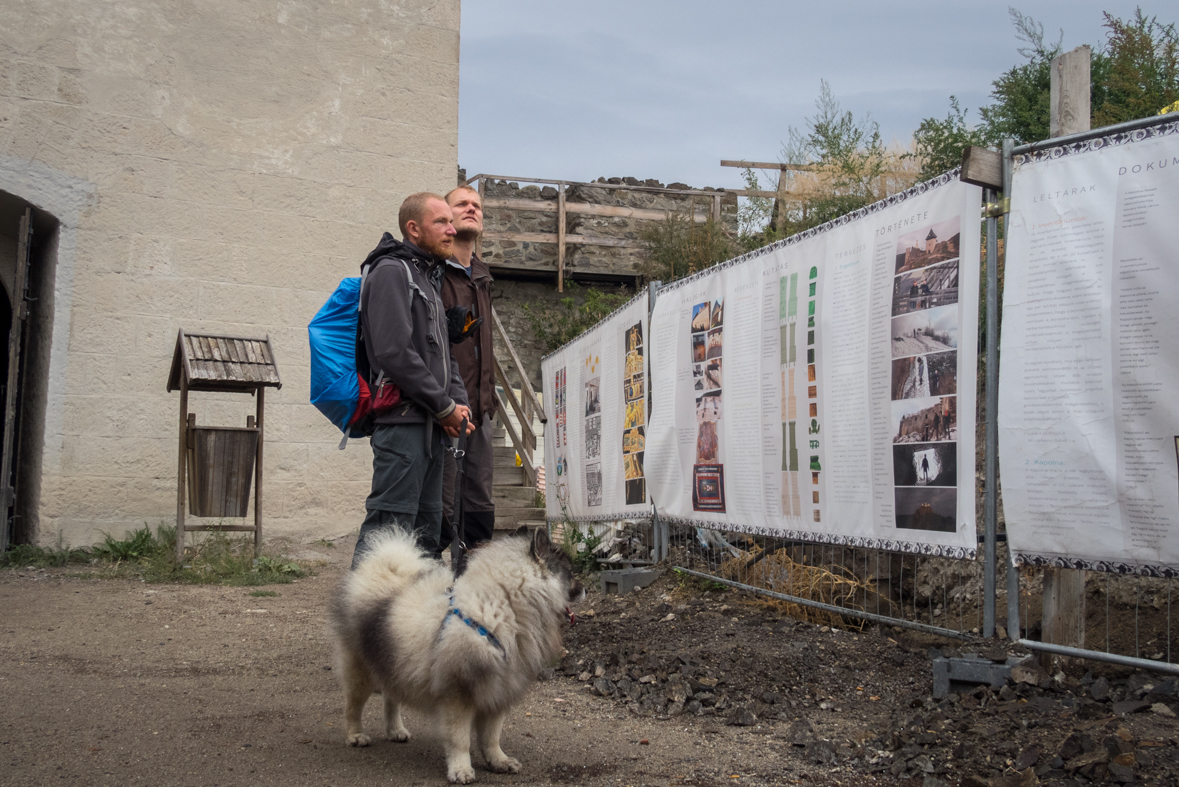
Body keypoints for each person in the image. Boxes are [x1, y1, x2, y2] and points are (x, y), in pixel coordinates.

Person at [351, 192, 475, 569]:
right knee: (388, 531)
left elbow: (444, 355)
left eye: (451, 222)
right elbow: (394, 353)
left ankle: (413, 625)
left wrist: (456, 400)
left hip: (432, 427)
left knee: (424, 535)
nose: (452, 229)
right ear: (413, 228)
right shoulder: (392, 271)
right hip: (402, 425)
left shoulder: (427, 276)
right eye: (441, 222)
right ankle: (362, 625)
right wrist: (444, 406)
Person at [438, 185, 498, 559]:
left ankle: (472, 598)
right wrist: (441, 402)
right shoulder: (432, 271)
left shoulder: (482, 276)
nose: (471, 209)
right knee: (441, 509)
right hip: (443, 410)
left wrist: (487, 401)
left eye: (477, 205)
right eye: (462, 204)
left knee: (478, 509)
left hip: (481, 410)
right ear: (446, 217)